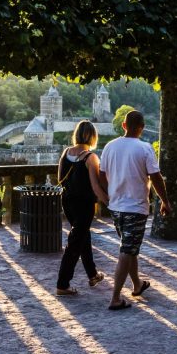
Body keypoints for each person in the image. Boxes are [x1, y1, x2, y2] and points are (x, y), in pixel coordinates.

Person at [98, 110, 171, 311]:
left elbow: (102, 176)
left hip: (116, 207)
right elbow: (156, 177)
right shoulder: (144, 148)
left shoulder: (109, 147)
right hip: (135, 207)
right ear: (142, 128)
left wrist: (111, 192)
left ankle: (137, 284)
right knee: (126, 250)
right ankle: (115, 298)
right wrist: (165, 201)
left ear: (123, 125)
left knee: (130, 248)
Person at [54, 121, 110, 296]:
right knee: (75, 242)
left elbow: (60, 178)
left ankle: (92, 274)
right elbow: (95, 186)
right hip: (84, 204)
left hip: (68, 201)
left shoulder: (65, 153)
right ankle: (62, 284)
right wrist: (109, 202)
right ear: (93, 136)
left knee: (82, 236)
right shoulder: (90, 157)